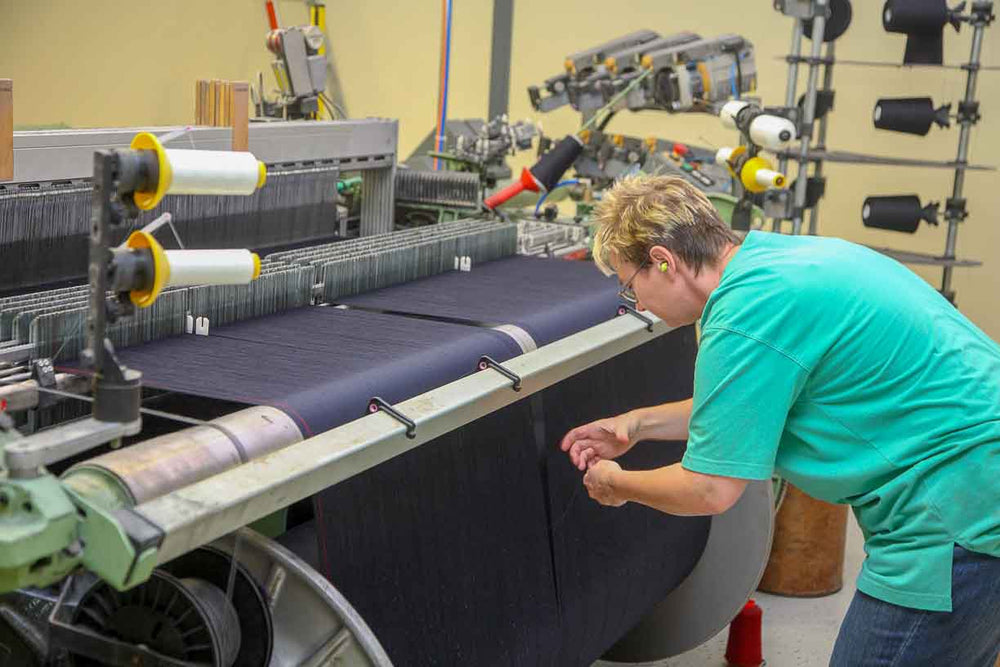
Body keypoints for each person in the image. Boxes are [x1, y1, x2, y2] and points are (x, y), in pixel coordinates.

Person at [559, 175, 1000, 666]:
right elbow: (746, 407)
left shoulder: (744, 316)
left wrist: (619, 485)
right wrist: (637, 424)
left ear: (663, 262)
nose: (638, 304)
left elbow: (710, 488)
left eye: (631, 285)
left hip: (957, 510)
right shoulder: (770, 264)